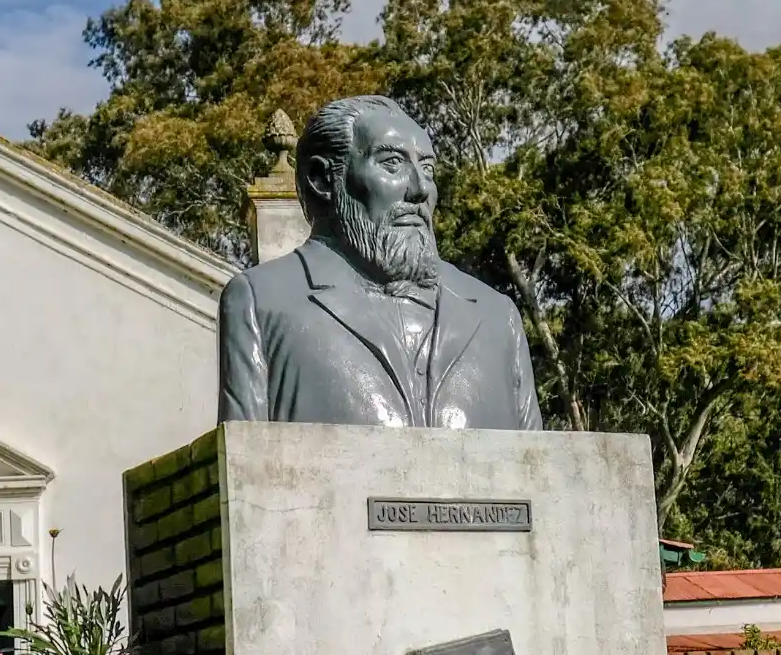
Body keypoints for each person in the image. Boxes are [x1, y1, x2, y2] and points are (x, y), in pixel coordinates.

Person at [217, 95, 544, 429]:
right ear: (322, 178)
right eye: (392, 163)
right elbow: (245, 466)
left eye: (427, 168)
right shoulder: (263, 303)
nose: (420, 189)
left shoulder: (497, 317)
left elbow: (538, 468)